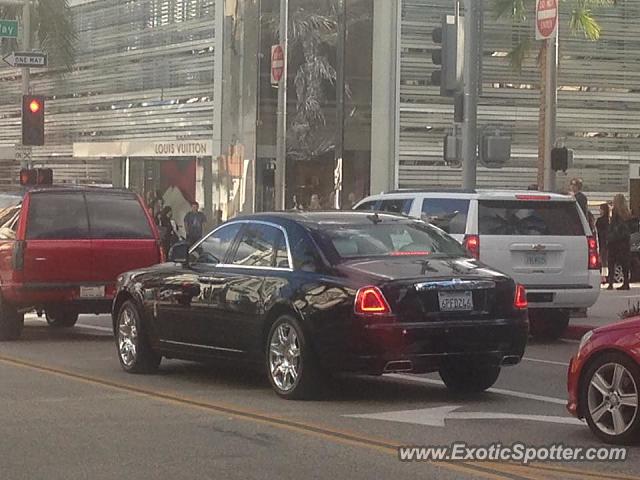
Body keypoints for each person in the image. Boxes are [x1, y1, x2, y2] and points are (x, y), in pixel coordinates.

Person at [607, 194, 632, 290]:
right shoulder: (627, 212)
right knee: (624, 262)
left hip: (615, 241)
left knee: (611, 262)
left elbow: (612, 225)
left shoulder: (615, 212)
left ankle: (610, 283)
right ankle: (626, 282)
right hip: (624, 241)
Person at [595, 203, 610, 282]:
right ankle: (606, 276)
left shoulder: (600, 220)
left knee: (603, 260)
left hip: (601, 241)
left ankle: (603, 277)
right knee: (606, 260)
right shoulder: (609, 220)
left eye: (600, 209)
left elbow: (598, 231)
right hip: (608, 242)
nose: (599, 211)